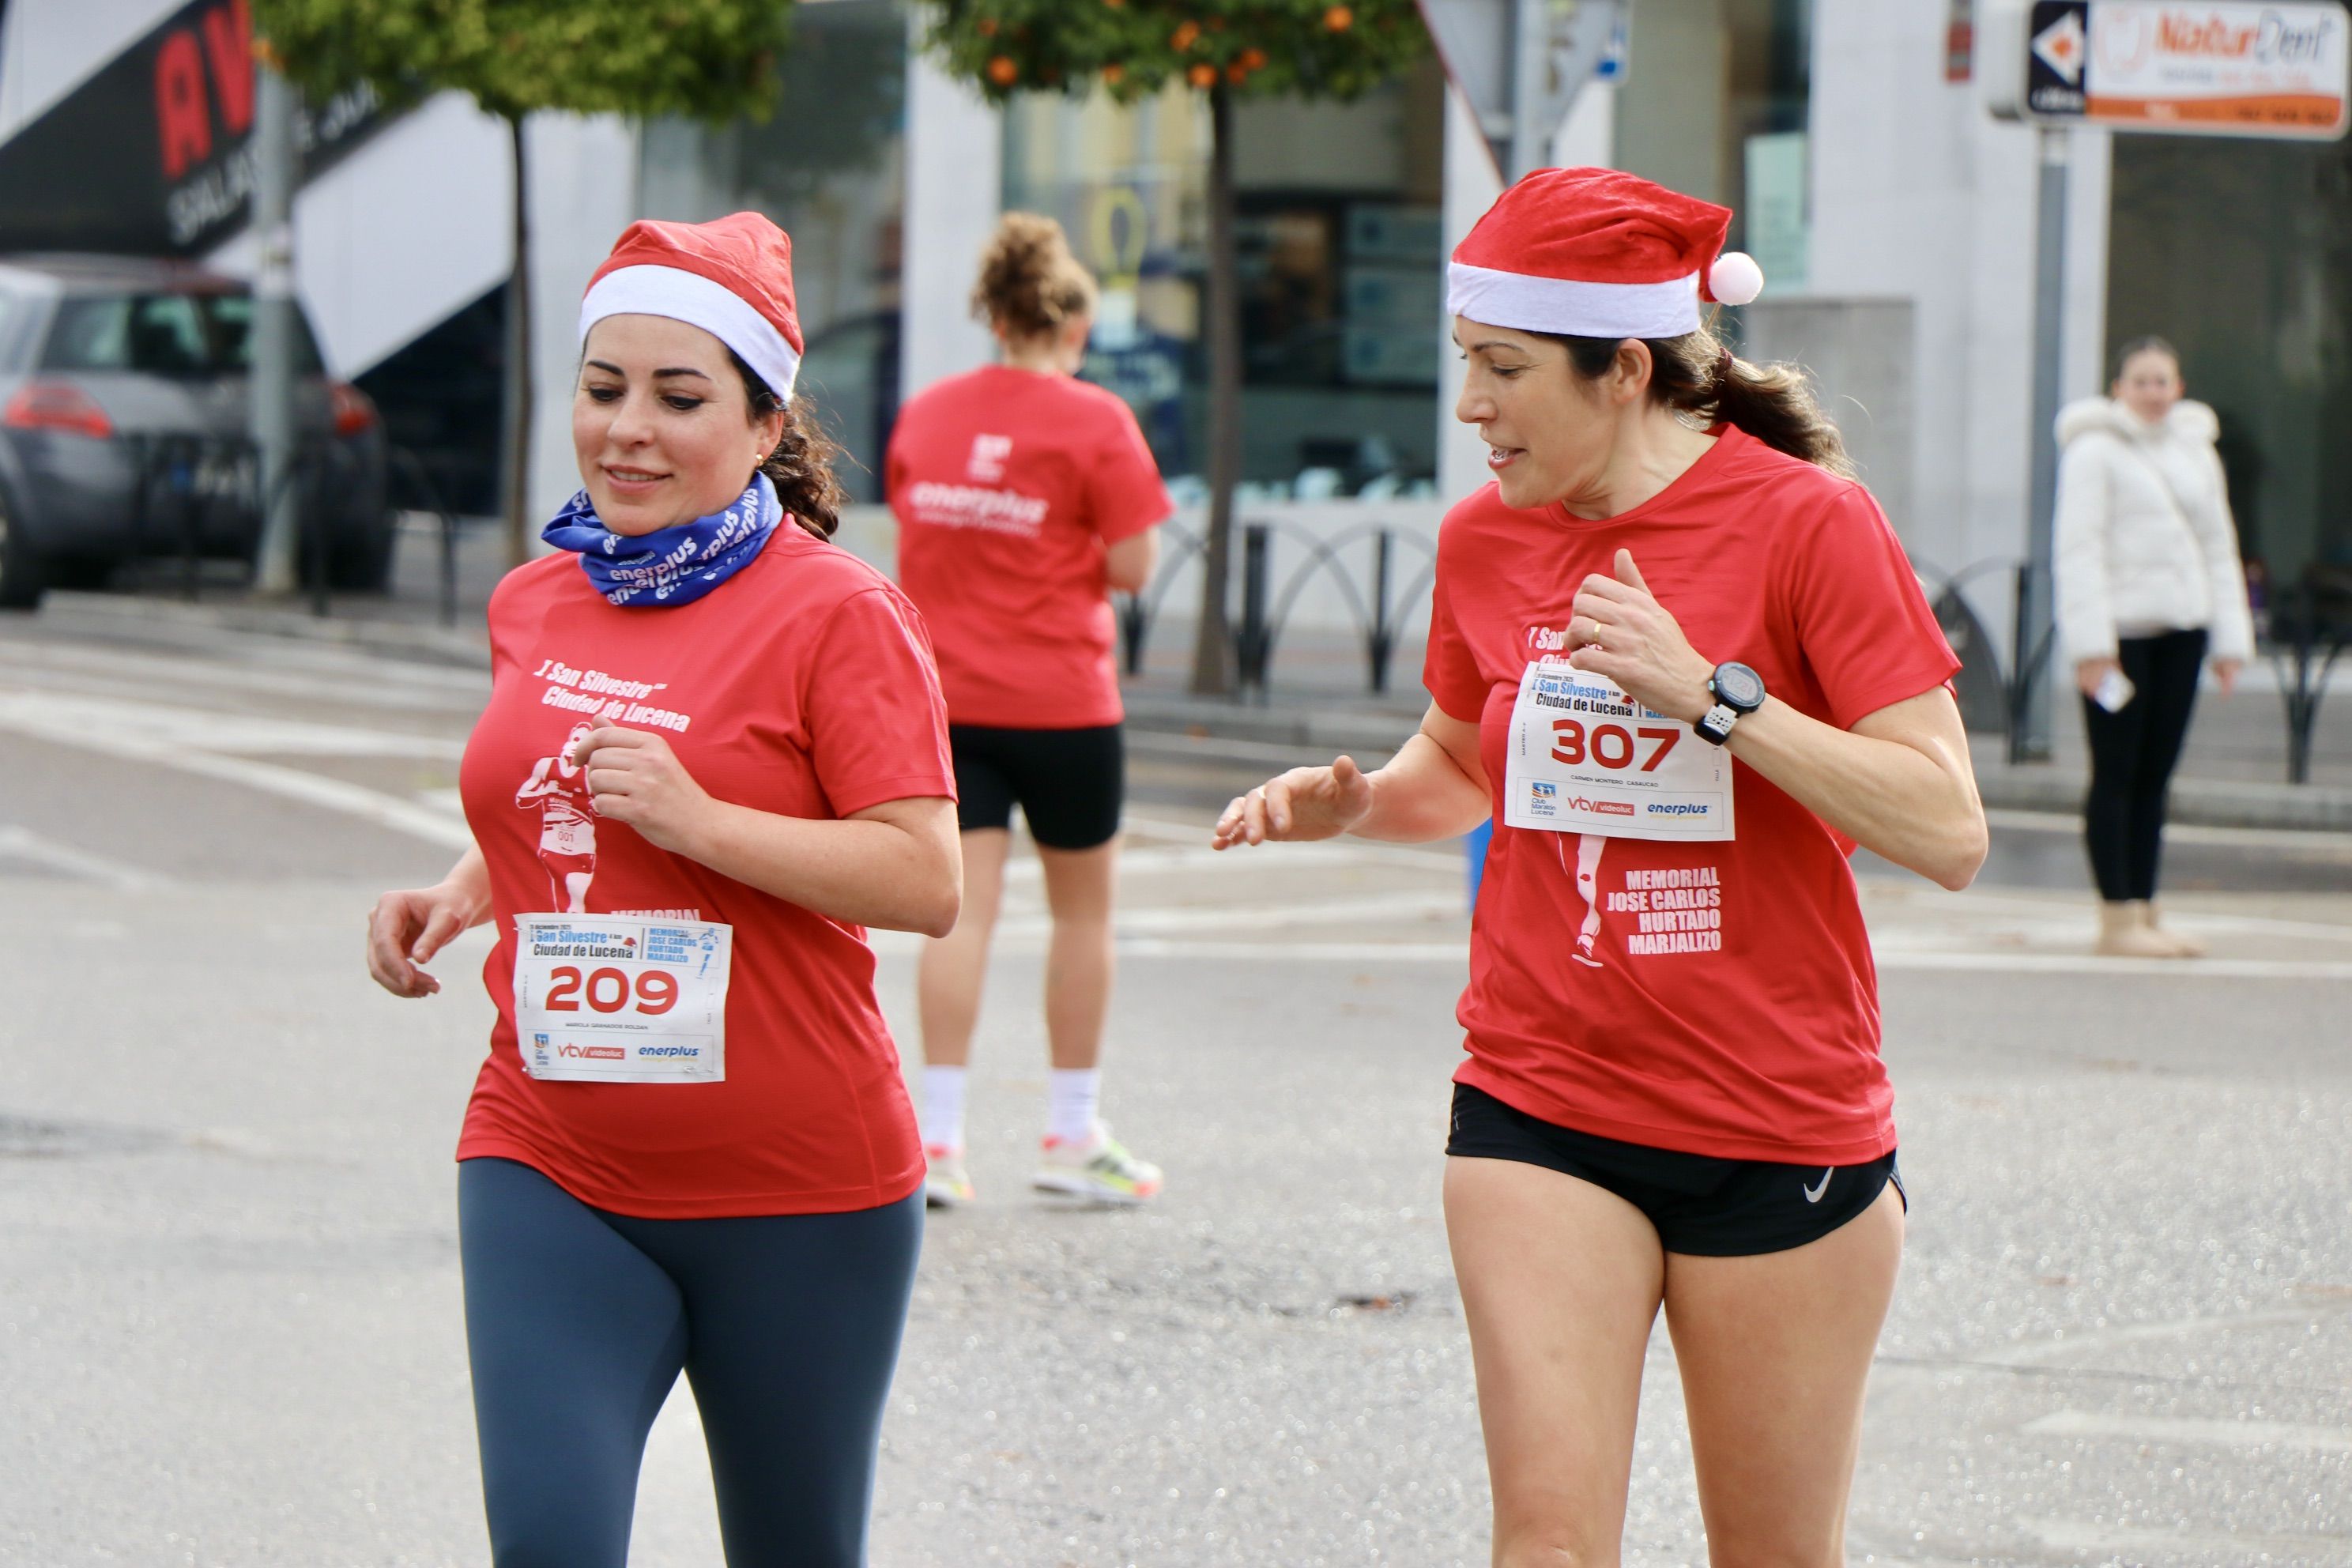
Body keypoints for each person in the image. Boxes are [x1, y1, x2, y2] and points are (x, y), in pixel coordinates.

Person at [1213, 168, 1988, 1566]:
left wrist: (1714, 694)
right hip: (1541, 1095)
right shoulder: (1484, 539)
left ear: (1625, 367)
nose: (1471, 408)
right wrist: (1355, 805)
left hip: (1777, 1123)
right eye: (1466, 366)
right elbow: (1460, 764)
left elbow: (1946, 825)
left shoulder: (1807, 523)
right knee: (1549, 1541)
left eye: (1503, 370)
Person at [363, 212, 959, 1568]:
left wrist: (700, 820)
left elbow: (923, 876)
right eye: (602, 386)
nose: (626, 427)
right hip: (551, 1155)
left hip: (801, 1189)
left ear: (763, 426)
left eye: (679, 397)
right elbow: (556, 781)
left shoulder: (838, 612)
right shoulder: (538, 594)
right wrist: (471, 881)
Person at [885, 213, 1170, 1208]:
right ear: (1072, 326)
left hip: (948, 701)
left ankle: (938, 1144)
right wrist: (1056, 548)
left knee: (957, 916)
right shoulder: (1098, 422)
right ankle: (1070, 1132)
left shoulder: (925, 416)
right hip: (1064, 703)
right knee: (1082, 916)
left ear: (993, 316)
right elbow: (1134, 565)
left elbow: (918, 535)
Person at [2055, 337, 2252, 958]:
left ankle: (2146, 907)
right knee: (2116, 772)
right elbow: (2078, 549)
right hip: (2121, 643)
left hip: (2183, 634)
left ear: (2180, 387)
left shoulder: (2196, 451)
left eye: (2163, 381)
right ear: (2118, 388)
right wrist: (2091, 648)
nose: (2152, 392)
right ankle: (2117, 917)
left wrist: (2229, 641)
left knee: (2156, 777)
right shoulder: (2093, 452)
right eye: (2140, 381)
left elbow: (2219, 547)